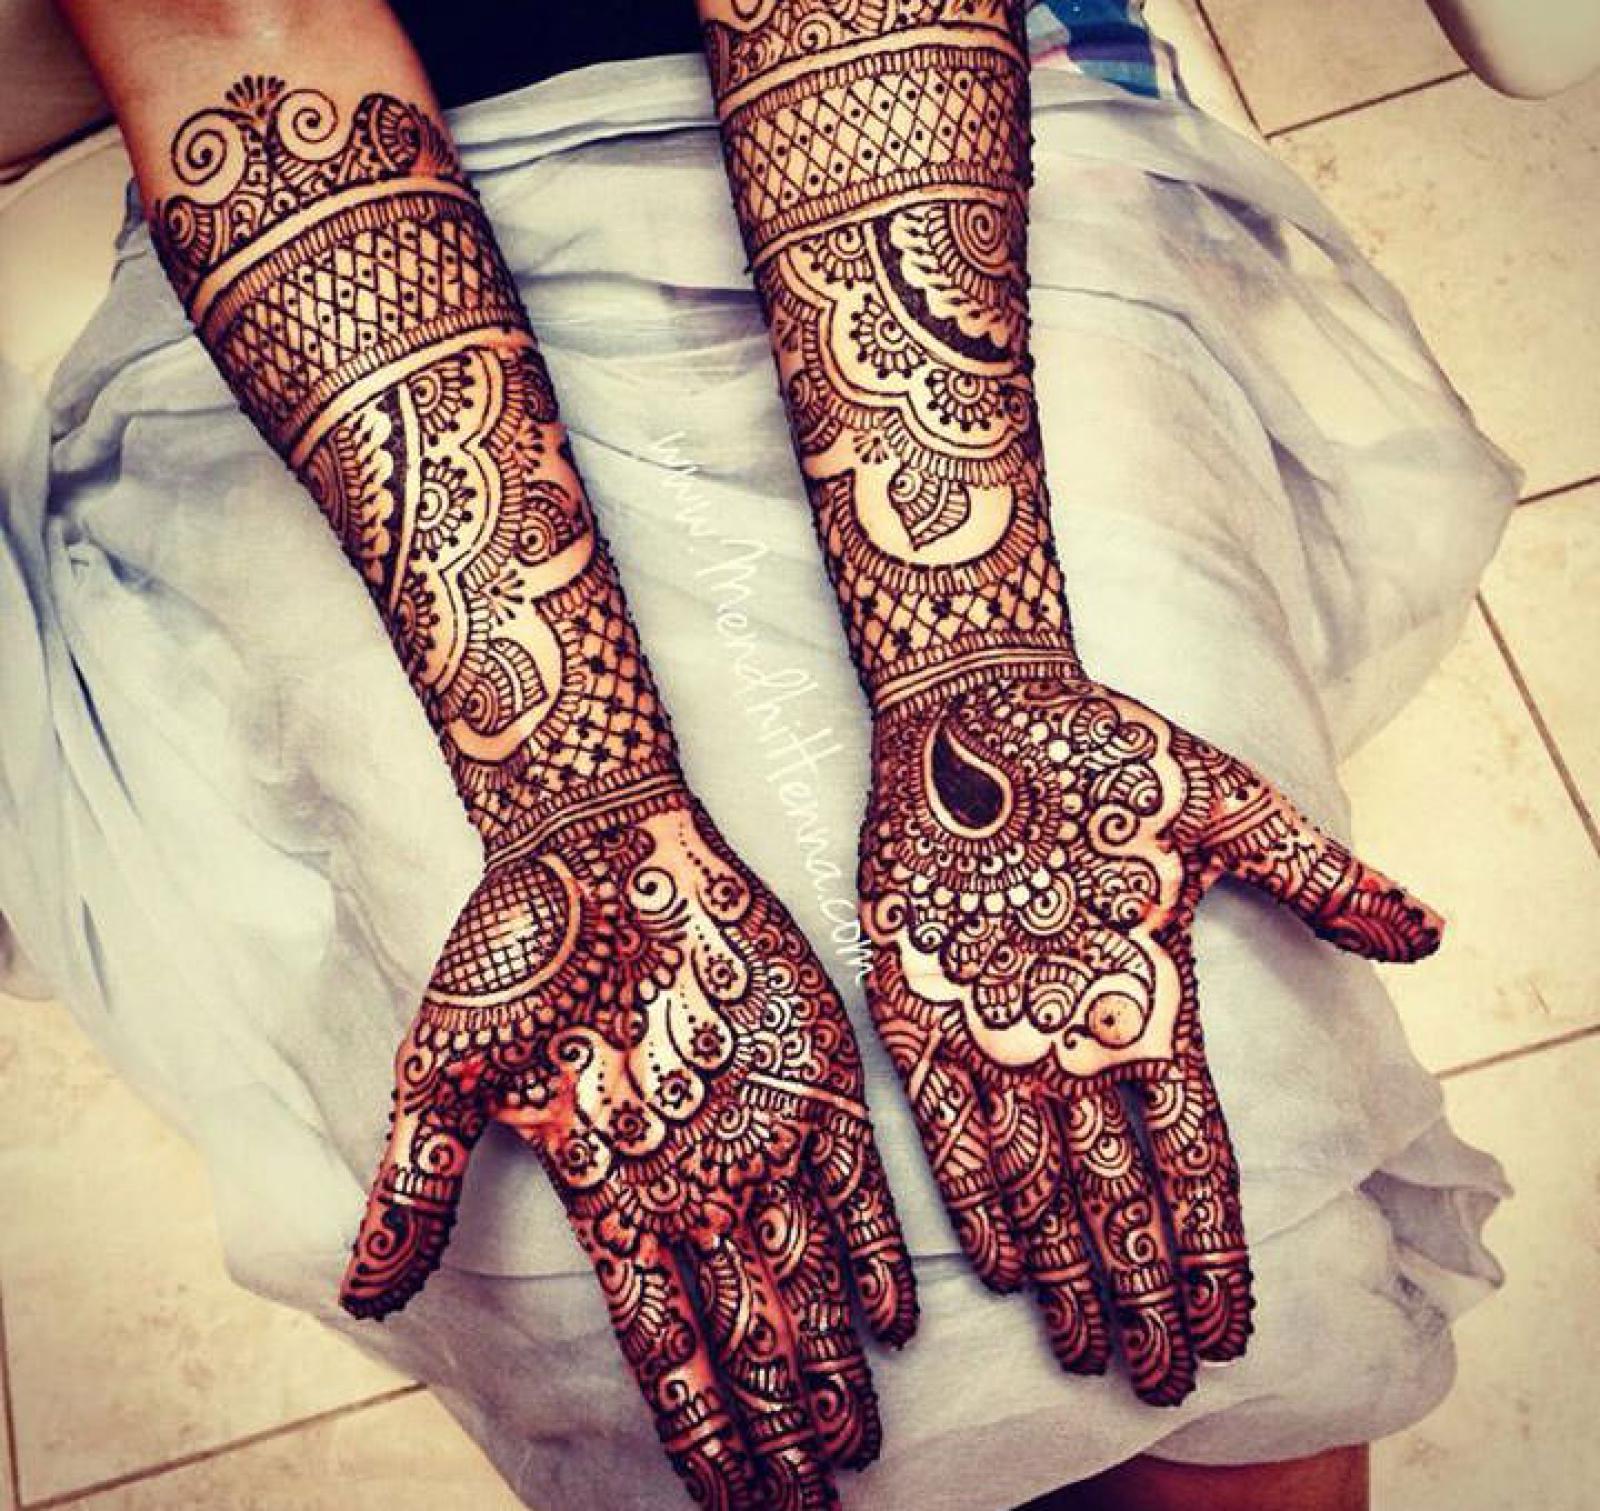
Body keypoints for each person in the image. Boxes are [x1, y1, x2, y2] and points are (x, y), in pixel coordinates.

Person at [2, 2, 1516, 1507]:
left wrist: (971, 661)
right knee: (645, 1296)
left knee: (1241, 1241)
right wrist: (579, 801)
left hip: (921, 104)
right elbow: (237, 33)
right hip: (328, 257)